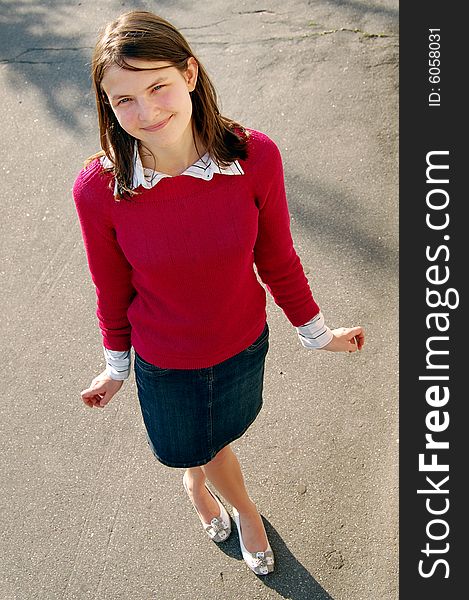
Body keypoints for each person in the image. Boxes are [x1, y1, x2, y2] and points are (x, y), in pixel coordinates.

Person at [73, 10, 365, 577]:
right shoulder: (99, 189)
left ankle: (196, 481)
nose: (146, 111)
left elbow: (277, 258)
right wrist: (115, 365)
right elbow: (110, 286)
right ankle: (245, 512)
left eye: (157, 86)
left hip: (241, 344)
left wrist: (316, 334)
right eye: (122, 99)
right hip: (166, 361)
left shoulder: (255, 156)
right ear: (106, 104)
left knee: (212, 440)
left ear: (189, 72)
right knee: (203, 446)